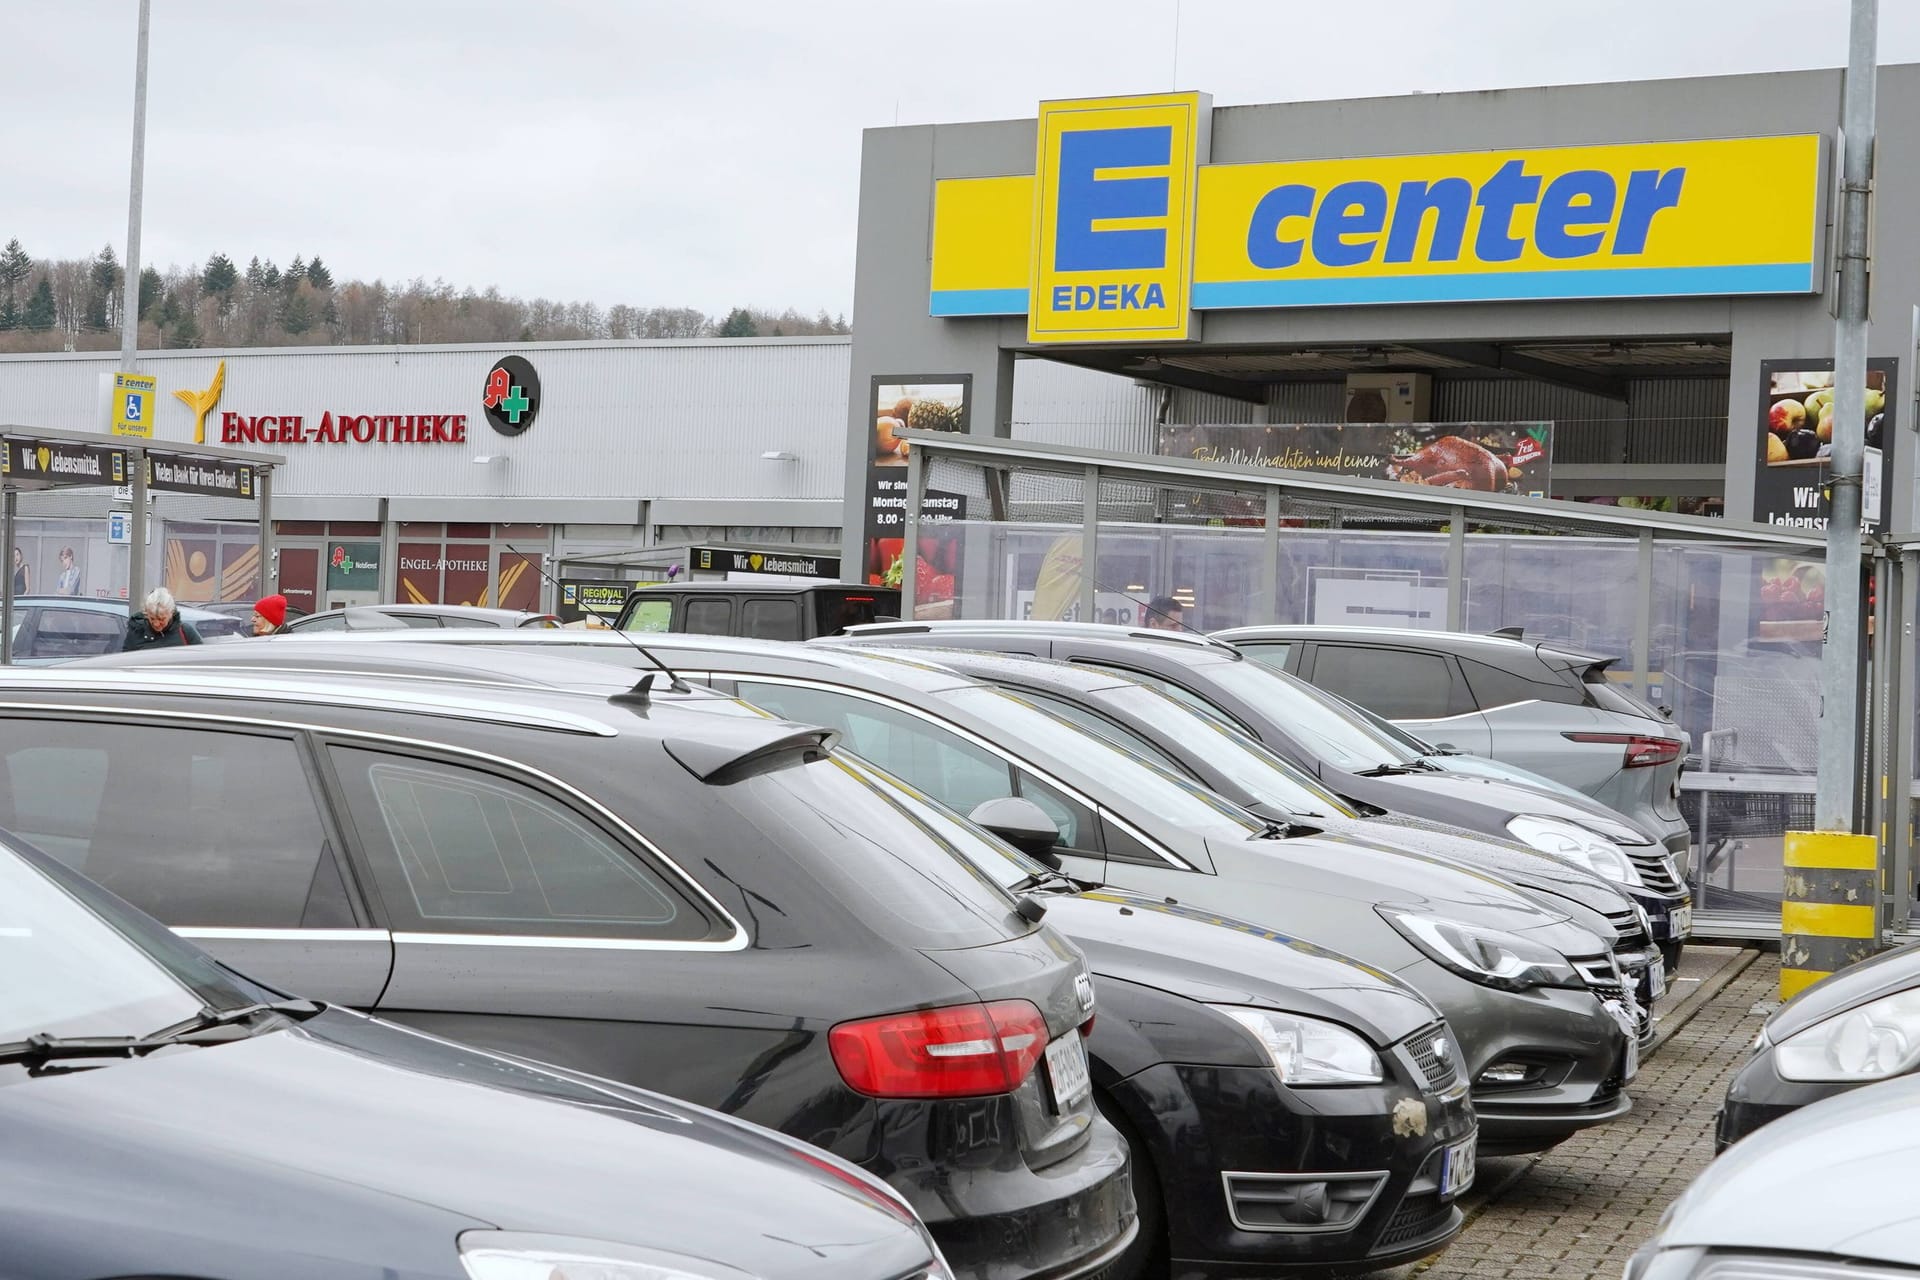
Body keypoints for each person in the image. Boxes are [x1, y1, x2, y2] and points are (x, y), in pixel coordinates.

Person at [122, 587, 203, 650]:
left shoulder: (185, 632)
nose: (156, 624)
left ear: (171, 613)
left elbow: (201, 660)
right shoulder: (136, 632)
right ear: (146, 613)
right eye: (152, 618)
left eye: (161, 619)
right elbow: (125, 663)